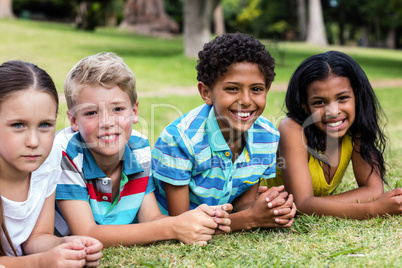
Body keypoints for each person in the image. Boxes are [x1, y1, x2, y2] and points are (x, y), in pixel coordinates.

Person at [47, 52, 232, 248]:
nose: (107, 123)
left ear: (134, 112)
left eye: (117, 109)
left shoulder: (138, 148)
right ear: (74, 120)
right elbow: (87, 233)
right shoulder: (66, 153)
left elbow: (151, 217)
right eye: (91, 113)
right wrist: (174, 227)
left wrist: (199, 220)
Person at [151, 32, 296, 232]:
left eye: (256, 89)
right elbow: (182, 224)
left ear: (267, 89)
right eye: (233, 89)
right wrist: (252, 219)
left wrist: (270, 208)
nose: (246, 100)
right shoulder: (180, 140)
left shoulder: (267, 137)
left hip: (216, 219)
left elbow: (243, 204)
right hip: (170, 222)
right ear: (206, 93)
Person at [260, 50, 402, 219]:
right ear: (305, 105)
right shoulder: (292, 129)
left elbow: (373, 190)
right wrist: (372, 209)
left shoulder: (355, 130)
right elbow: (301, 204)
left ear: (356, 96)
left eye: (342, 98)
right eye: (319, 102)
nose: (333, 112)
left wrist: (319, 204)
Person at [0, 61, 103, 267]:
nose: (33, 142)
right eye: (18, 125)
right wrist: (39, 263)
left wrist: (67, 245)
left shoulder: (50, 158)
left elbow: (37, 236)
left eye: (45, 125)